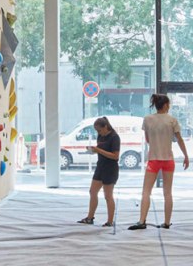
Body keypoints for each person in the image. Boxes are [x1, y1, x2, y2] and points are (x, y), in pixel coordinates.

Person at [129, 93, 187, 230]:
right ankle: (167, 223)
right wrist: (186, 156)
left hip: (153, 160)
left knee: (146, 192)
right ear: (166, 105)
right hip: (168, 160)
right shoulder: (172, 120)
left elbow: (148, 139)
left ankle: (142, 221)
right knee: (167, 193)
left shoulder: (148, 119)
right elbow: (179, 140)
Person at [77, 116, 120, 226]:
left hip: (110, 169)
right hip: (100, 167)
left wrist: (98, 150)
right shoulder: (100, 136)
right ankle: (90, 217)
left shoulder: (114, 137)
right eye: (97, 131)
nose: (98, 132)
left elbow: (115, 156)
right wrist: (93, 150)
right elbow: (101, 150)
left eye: (100, 130)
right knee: (92, 191)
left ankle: (110, 221)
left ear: (105, 126)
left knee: (108, 196)